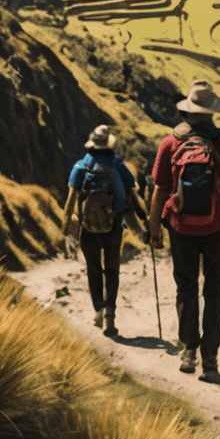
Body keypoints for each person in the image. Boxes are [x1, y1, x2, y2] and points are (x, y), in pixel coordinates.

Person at [147, 80, 220, 378]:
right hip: (218, 225)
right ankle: (211, 357)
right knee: (215, 289)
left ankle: (189, 349)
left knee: (186, 286)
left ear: (188, 111)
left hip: (181, 227)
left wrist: (154, 228)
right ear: (212, 112)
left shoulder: (171, 143)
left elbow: (160, 190)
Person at [62, 124, 143, 337]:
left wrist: (65, 227)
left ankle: (98, 310)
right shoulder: (118, 165)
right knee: (112, 272)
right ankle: (109, 317)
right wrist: (144, 224)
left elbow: (71, 200)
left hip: (88, 228)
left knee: (94, 269)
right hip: (114, 227)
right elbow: (132, 196)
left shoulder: (81, 166)